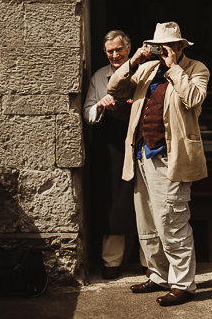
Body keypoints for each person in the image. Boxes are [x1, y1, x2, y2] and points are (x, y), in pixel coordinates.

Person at [107, 21, 209, 306]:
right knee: (147, 221)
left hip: (171, 158)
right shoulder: (148, 69)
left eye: (168, 46)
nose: (163, 51)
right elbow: (115, 89)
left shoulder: (196, 70)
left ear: (179, 47)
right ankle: (159, 275)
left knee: (172, 222)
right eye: (158, 46)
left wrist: (174, 67)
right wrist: (134, 60)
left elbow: (193, 99)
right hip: (141, 155)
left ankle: (184, 285)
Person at [83, 30, 140, 279]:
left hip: (141, 143)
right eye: (110, 51)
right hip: (111, 148)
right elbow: (87, 115)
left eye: (119, 50)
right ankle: (112, 262)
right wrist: (99, 105)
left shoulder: (143, 72)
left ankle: (149, 262)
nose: (115, 55)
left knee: (143, 200)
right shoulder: (99, 77)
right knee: (113, 202)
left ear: (129, 49)